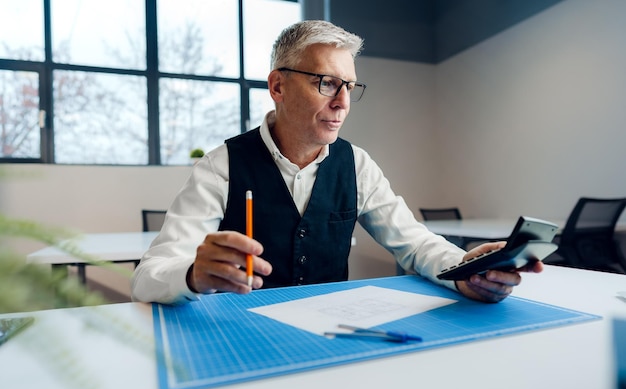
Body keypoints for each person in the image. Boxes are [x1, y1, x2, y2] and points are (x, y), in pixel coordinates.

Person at [131, 20, 543, 305]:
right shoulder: (221, 166)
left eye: (349, 85)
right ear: (278, 85)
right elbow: (149, 275)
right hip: (243, 330)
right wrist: (190, 274)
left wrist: (465, 269)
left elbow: (415, 244)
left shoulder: (357, 164)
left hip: (329, 334)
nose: (343, 101)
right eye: (326, 82)